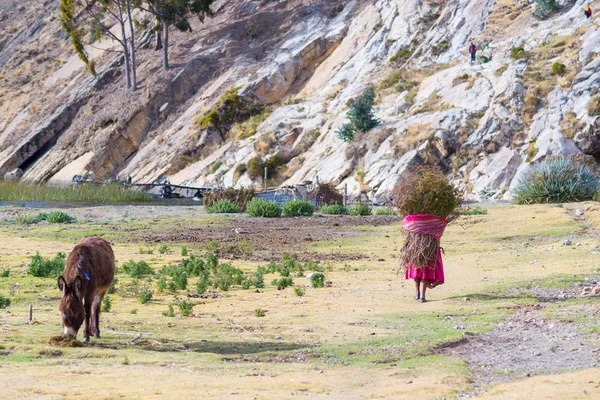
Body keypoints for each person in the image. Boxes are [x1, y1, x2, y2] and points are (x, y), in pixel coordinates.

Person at [402, 214, 446, 303]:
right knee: (425, 273)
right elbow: (440, 228)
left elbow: (407, 226)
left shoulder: (412, 219)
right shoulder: (435, 220)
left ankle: (417, 293)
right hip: (429, 248)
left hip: (415, 248)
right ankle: (422, 296)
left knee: (417, 270)